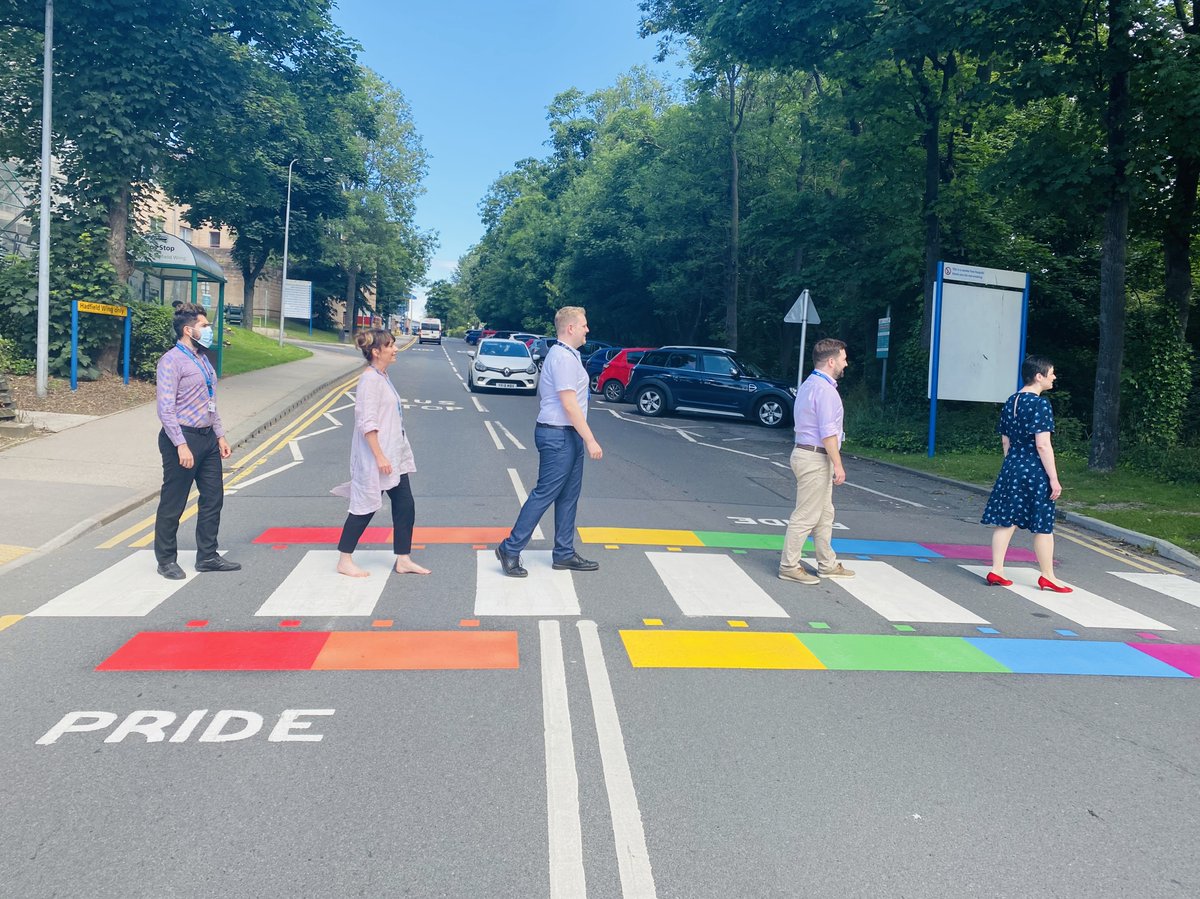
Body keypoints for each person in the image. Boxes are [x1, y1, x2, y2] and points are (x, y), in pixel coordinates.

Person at [496, 306, 602, 577]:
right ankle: (510, 548)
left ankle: (564, 553)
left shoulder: (568, 354)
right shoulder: (563, 359)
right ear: (570, 328)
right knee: (545, 493)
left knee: (568, 496)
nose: (587, 329)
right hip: (558, 434)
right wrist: (590, 439)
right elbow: (569, 403)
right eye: (584, 325)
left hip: (567, 434)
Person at [331, 328, 430, 578]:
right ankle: (344, 559)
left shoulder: (382, 376)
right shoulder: (369, 380)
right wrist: (380, 456)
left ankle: (403, 559)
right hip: (377, 458)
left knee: (405, 506)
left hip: (394, 457)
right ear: (376, 351)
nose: (395, 349)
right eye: (390, 346)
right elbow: (368, 422)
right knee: (364, 506)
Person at [154, 304, 240, 579]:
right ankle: (166, 560)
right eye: (203, 326)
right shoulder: (171, 361)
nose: (208, 330)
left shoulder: (203, 359)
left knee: (213, 498)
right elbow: (165, 409)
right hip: (182, 436)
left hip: (207, 438)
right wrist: (180, 444)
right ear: (188, 330)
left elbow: (210, 402)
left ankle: (208, 556)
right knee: (174, 501)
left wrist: (221, 435)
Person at [981, 355, 1071, 592]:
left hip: (1011, 466)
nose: (1054, 377)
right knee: (1043, 524)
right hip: (1034, 468)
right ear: (1039, 376)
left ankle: (996, 570)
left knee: (1006, 520)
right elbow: (1043, 444)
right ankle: (1048, 575)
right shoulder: (1040, 404)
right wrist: (1053, 478)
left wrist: (1013, 464)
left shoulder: (1011, 401)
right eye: (1051, 373)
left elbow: (1005, 440)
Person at [778, 338, 855, 585]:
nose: (846, 363)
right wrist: (838, 465)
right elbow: (828, 433)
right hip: (815, 457)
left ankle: (827, 563)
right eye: (843, 359)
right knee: (807, 515)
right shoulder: (825, 391)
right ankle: (789, 565)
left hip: (806, 453)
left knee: (824, 513)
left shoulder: (809, 385)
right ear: (831, 361)